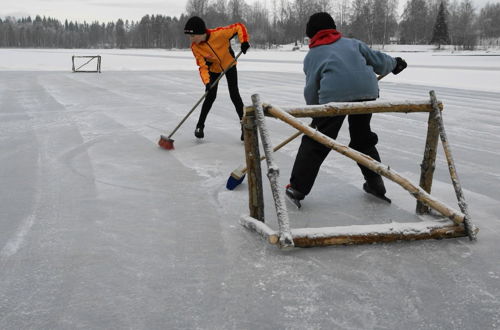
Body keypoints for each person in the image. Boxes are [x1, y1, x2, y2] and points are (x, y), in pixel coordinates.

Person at [286, 12, 407, 208]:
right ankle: (376, 184)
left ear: (312, 33)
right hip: (367, 93)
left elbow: (311, 88)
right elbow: (379, 60)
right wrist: (395, 64)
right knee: (362, 139)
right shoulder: (353, 43)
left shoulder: (313, 55)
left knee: (317, 141)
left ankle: (297, 188)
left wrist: (316, 114)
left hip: (334, 98)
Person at [183, 16, 250, 140]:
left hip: (229, 64)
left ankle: (244, 127)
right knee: (210, 96)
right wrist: (207, 83)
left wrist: (244, 41)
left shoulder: (219, 34)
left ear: (200, 33)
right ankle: (200, 126)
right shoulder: (195, 47)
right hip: (213, 69)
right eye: (189, 37)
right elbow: (202, 66)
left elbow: (239, 26)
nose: (191, 39)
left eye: (192, 36)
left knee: (234, 95)